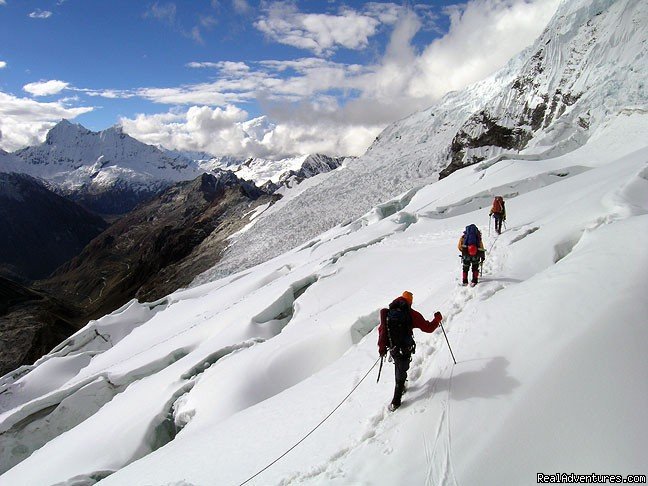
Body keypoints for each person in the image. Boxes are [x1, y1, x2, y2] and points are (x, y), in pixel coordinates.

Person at [378, 291, 443, 410]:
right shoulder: (411, 314)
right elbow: (427, 328)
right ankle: (396, 401)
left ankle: (401, 387)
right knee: (402, 370)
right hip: (405, 348)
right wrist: (437, 320)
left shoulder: (388, 313)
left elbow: (381, 330)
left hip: (393, 348)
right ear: (410, 301)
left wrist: (381, 347)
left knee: (399, 367)